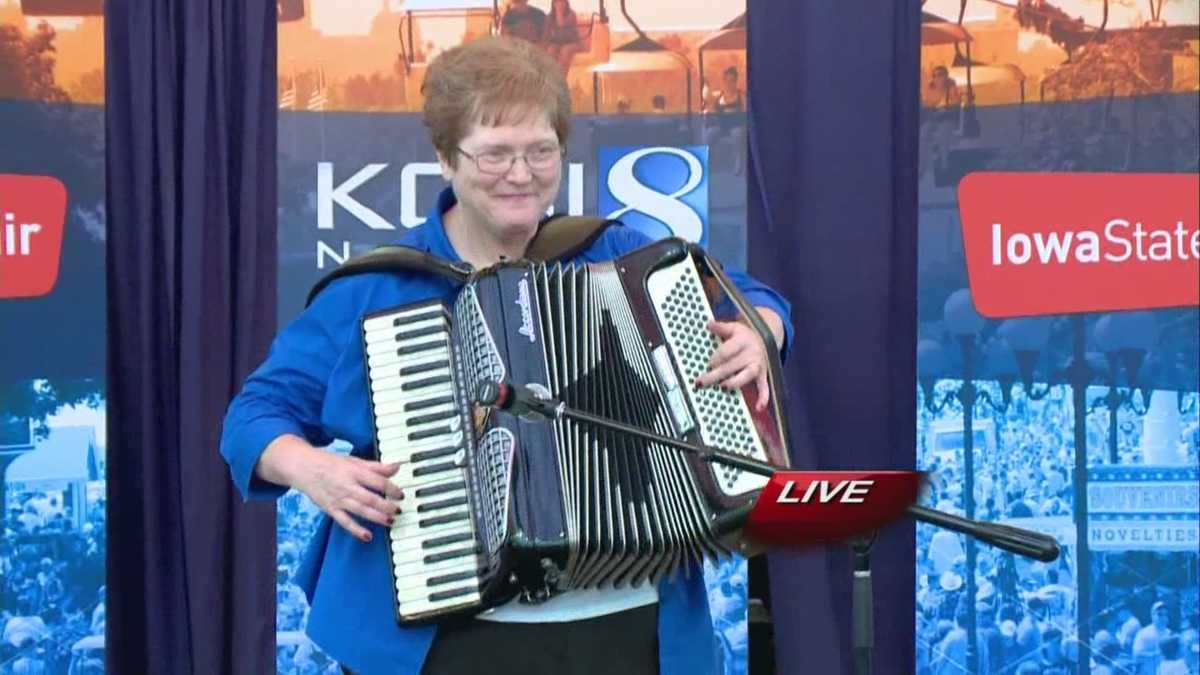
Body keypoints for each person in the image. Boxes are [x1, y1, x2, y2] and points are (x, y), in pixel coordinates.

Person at [221, 36, 792, 675]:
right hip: (451, 633)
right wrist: (308, 468)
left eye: (540, 151)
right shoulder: (379, 288)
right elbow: (254, 417)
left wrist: (761, 328)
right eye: (495, 154)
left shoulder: (617, 256)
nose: (521, 175)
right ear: (446, 159)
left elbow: (746, 296)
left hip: (630, 624)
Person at [542, 0, 582, 74]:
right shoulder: (550, 17)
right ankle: (552, 77)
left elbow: (562, 26)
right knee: (551, 50)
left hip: (573, 43)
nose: (560, 4)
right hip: (557, 43)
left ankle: (562, 77)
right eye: (557, 2)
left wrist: (559, 12)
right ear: (553, 4)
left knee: (565, 50)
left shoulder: (571, 14)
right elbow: (546, 35)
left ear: (566, 3)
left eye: (562, 1)